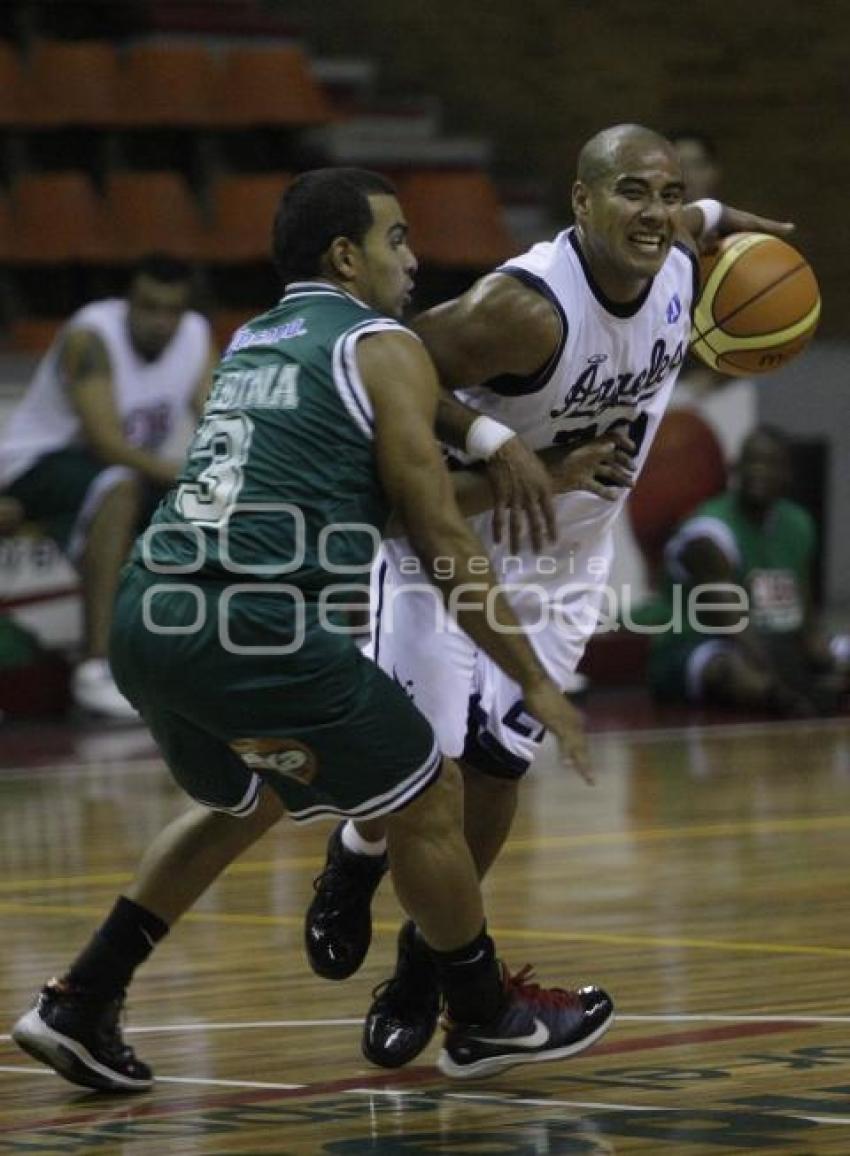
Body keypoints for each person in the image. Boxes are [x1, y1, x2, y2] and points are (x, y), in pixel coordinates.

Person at [11, 168, 615, 1091]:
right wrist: (528, 675)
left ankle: (81, 1000)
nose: (414, 261)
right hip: (252, 624)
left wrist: (530, 468)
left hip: (151, 613)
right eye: (398, 240)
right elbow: (435, 530)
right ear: (347, 254)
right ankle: (487, 1015)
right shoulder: (381, 343)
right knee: (430, 798)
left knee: (240, 801)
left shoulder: (254, 341)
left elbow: (369, 501)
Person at [303, 124, 795, 1069]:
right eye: (632, 195)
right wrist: (501, 447)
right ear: (581, 203)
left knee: (496, 771)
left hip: (568, 562)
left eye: (668, 195)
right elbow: (378, 365)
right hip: (449, 542)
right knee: (423, 779)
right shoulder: (521, 313)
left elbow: (701, 212)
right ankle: (356, 856)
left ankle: (425, 972)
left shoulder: (687, 255)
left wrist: (736, 217)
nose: (656, 213)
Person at [0, 255, 217, 718]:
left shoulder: (196, 335)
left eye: (170, 311)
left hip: (121, 471)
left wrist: (232, 471)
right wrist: (189, 475)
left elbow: (219, 422)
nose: (159, 321)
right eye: (148, 307)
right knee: (119, 487)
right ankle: (96, 667)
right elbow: (105, 444)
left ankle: (203, 659)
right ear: (127, 303)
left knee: (202, 508)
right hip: (37, 464)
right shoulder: (91, 337)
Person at [648, 426, 848, 715]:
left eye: (769, 463)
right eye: (751, 462)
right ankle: (782, 700)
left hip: (780, 649)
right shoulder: (707, 531)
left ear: (787, 473)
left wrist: (827, 661)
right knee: (729, 668)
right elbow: (734, 623)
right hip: (699, 645)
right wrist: (793, 678)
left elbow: (804, 617)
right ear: (734, 468)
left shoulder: (799, 523)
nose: (758, 471)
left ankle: (799, 695)